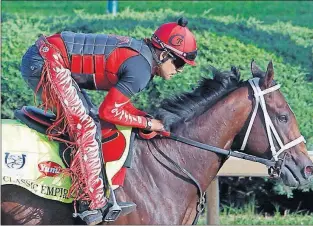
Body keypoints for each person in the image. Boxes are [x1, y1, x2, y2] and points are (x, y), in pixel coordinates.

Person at [20, 17, 197, 224]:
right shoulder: (141, 69)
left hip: (49, 56)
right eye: (179, 62)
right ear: (164, 54)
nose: (181, 69)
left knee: (89, 120)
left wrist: (143, 119)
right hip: (44, 61)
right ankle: (91, 203)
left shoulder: (143, 60)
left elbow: (117, 105)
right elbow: (109, 111)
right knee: (85, 126)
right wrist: (148, 124)